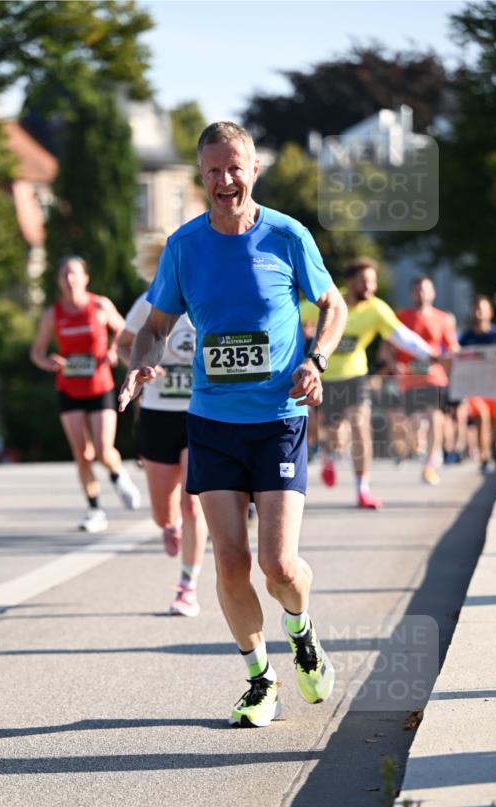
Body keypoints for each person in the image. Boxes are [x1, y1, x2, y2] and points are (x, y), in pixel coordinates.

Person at [120, 121, 348, 728]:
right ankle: (260, 678)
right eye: (214, 170)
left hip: (277, 419)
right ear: (201, 176)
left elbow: (333, 305)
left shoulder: (287, 235)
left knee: (279, 565)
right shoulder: (185, 246)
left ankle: (301, 631)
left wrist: (316, 358)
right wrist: (142, 365)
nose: (226, 180)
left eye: (236, 167)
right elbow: (155, 326)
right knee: (228, 561)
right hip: (213, 422)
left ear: (253, 168)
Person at [116, 233, 207, 617]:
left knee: (193, 502)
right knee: (163, 511)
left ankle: (187, 586)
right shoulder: (152, 300)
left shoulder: (211, 298)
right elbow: (122, 342)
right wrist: (139, 366)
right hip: (156, 414)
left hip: (200, 413)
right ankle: (167, 527)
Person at [304, 259, 443, 509]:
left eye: (373, 281)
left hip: (355, 375)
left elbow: (402, 336)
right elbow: (288, 316)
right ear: (350, 282)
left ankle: (362, 490)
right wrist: (301, 331)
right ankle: (328, 456)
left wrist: (429, 353)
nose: (370, 286)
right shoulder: (327, 302)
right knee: (333, 434)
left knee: (360, 425)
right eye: (364, 281)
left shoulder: (376, 309)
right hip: (324, 377)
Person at [30, 255, 140, 531]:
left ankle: (117, 474)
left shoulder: (100, 305)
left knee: (103, 450)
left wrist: (115, 351)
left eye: (74, 273)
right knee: (82, 454)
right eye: (64, 274)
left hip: (100, 386)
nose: (70, 279)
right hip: (69, 389)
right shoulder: (52, 314)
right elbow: (37, 353)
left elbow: (126, 334)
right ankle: (94, 510)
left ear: (85, 278)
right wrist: (49, 362)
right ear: (58, 281)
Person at [385, 275, 459, 485]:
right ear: (411, 293)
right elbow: (387, 348)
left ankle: (429, 462)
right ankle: (419, 448)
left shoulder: (443, 318)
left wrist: (451, 357)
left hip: (434, 377)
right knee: (409, 423)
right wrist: (393, 365)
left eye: (425, 289)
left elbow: (452, 347)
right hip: (408, 380)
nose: (421, 293)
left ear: (433, 293)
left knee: (434, 416)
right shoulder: (400, 317)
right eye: (417, 290)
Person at [458, 295, 496, 473]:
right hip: (475, 389)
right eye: (476, 308)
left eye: (482, 308)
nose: (479, 311)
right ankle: (484, 456)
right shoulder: (466, 337)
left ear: (490, 312)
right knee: (482, 417)